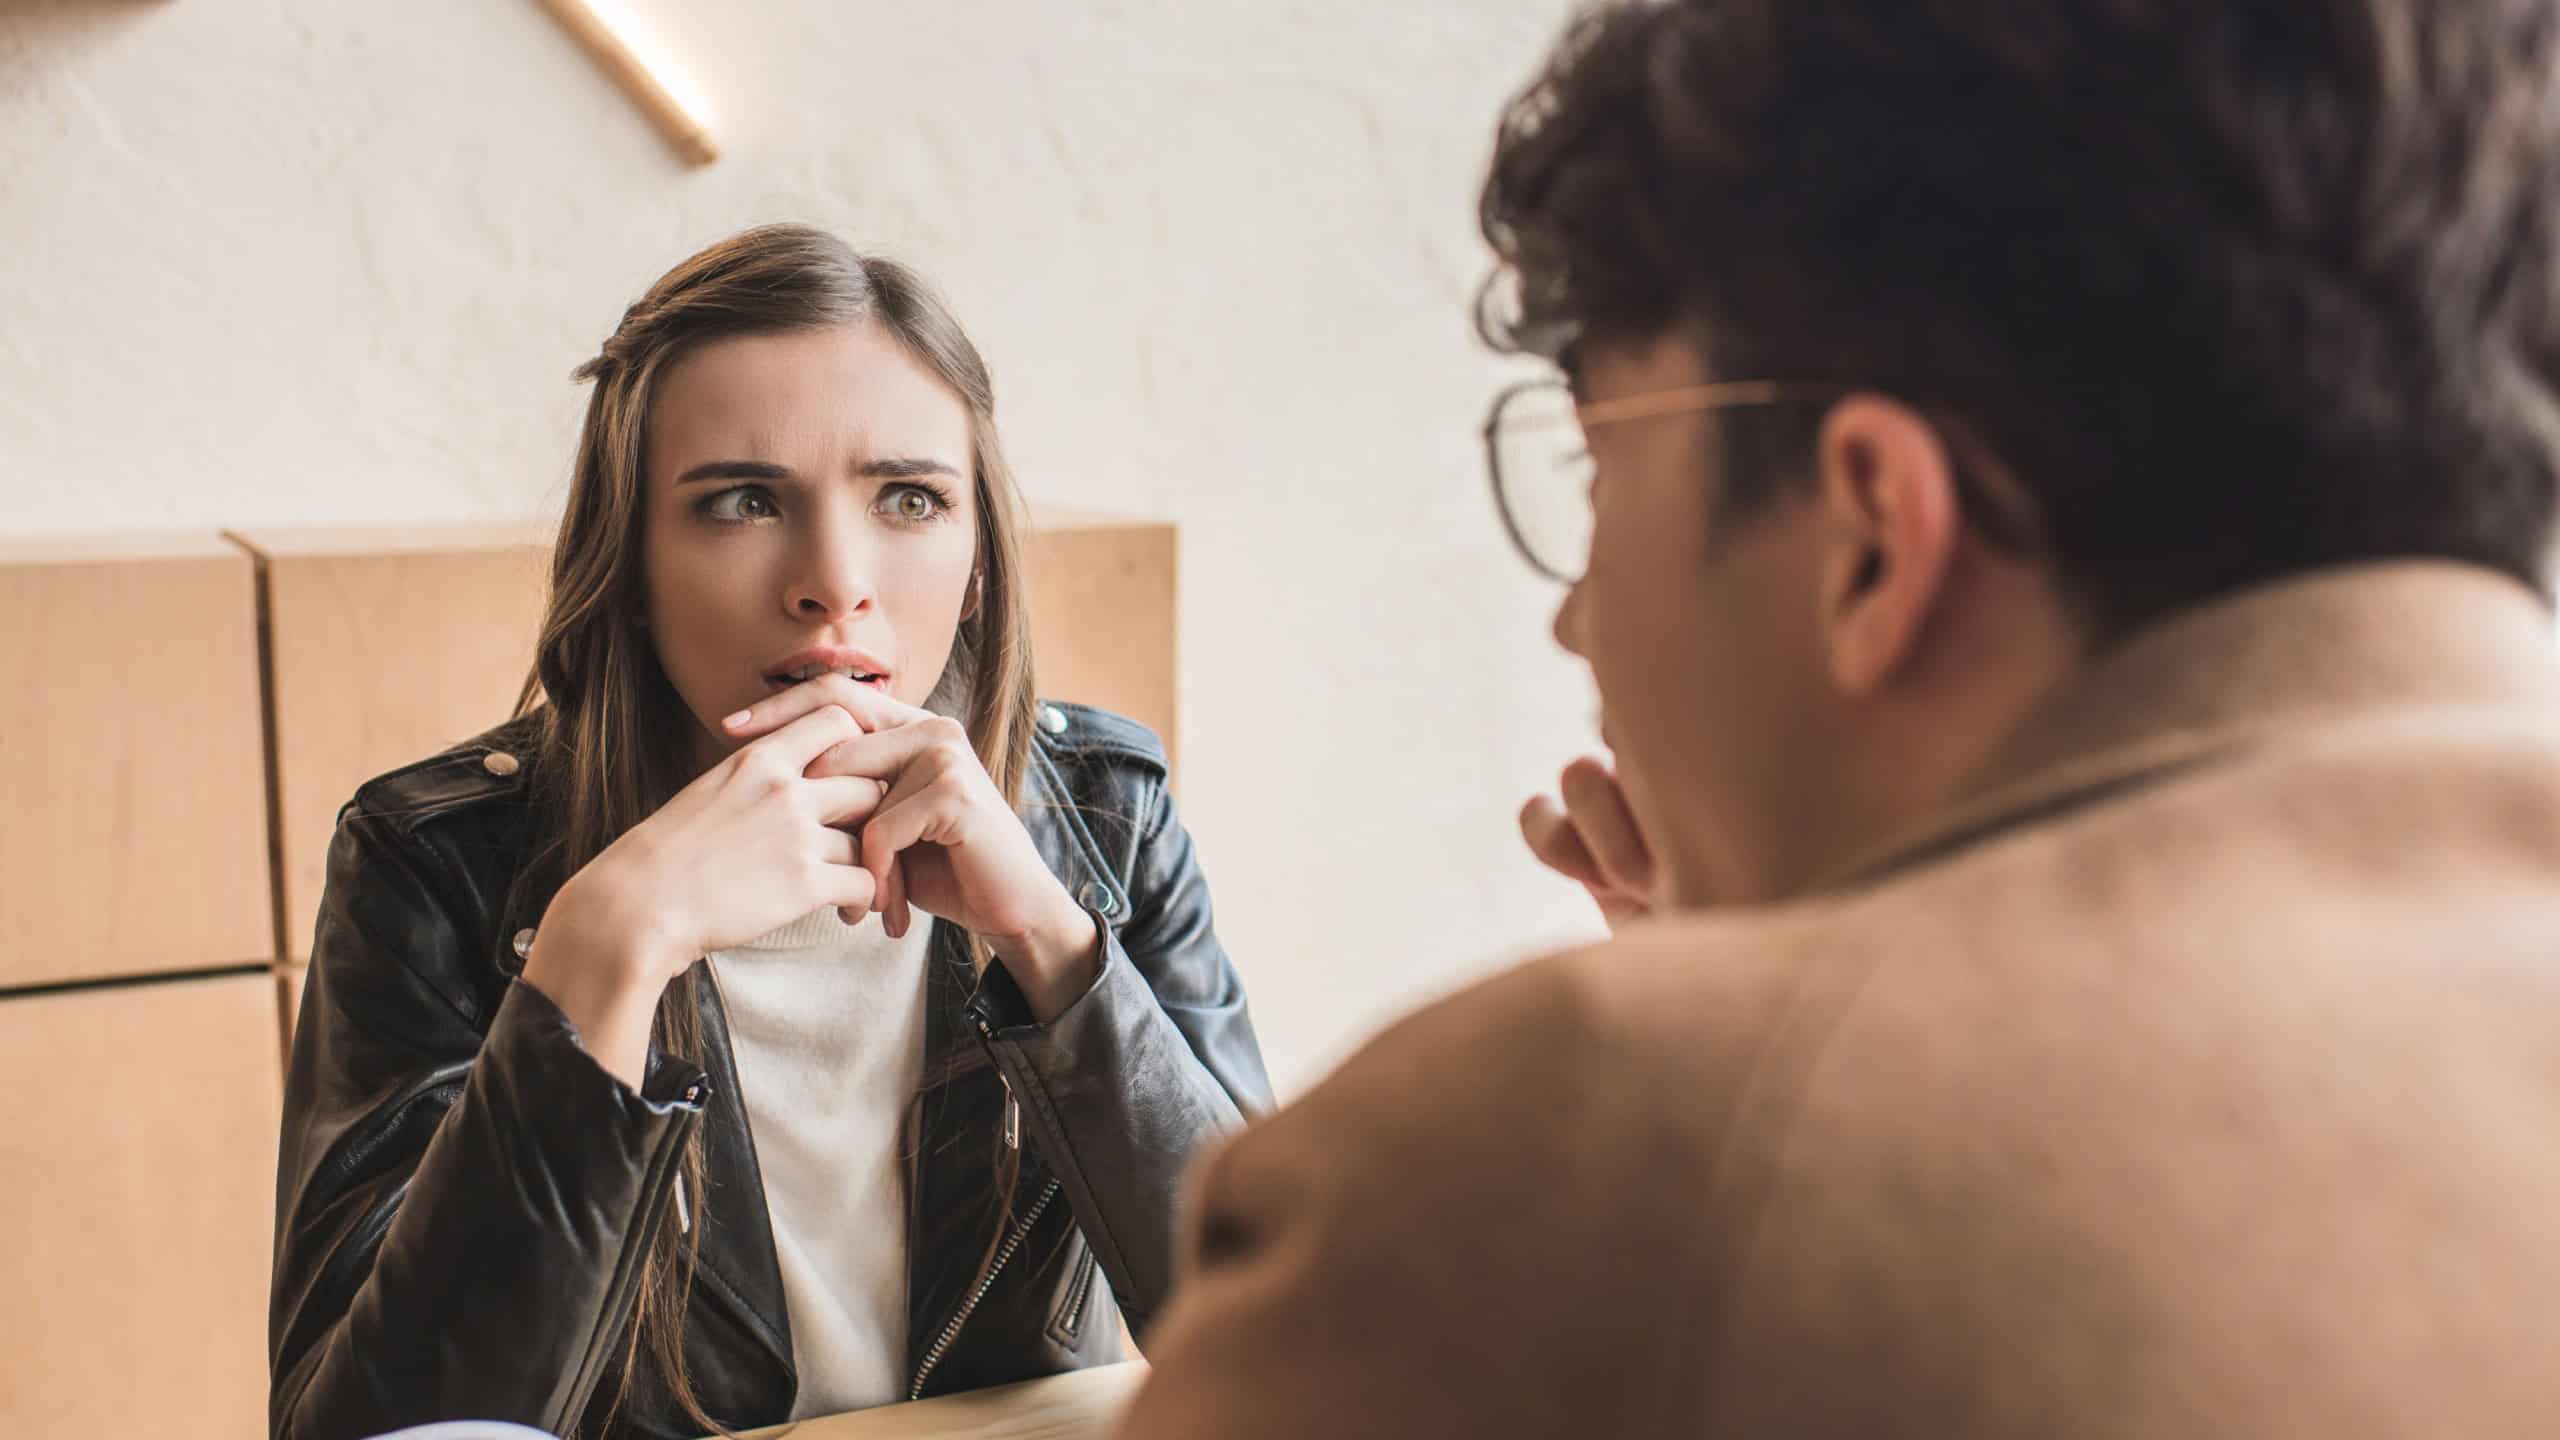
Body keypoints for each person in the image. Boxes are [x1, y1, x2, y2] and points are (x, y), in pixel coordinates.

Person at [1120, 0, 2560, 1434]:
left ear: (1872, 528)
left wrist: (1736, 1069)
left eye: (1596, 473)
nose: (1575, 622)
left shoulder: (1546, 1178)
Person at [270, 224, 1270, 1440]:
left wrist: (1057, 951)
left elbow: (1294, 1348)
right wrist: (605, 947)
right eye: (742, 501)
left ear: (977, 562)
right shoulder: (432, 862)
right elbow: (362, 1427)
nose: (832, 580)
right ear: (629, 562)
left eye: (909, 497)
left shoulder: (1102, 812)